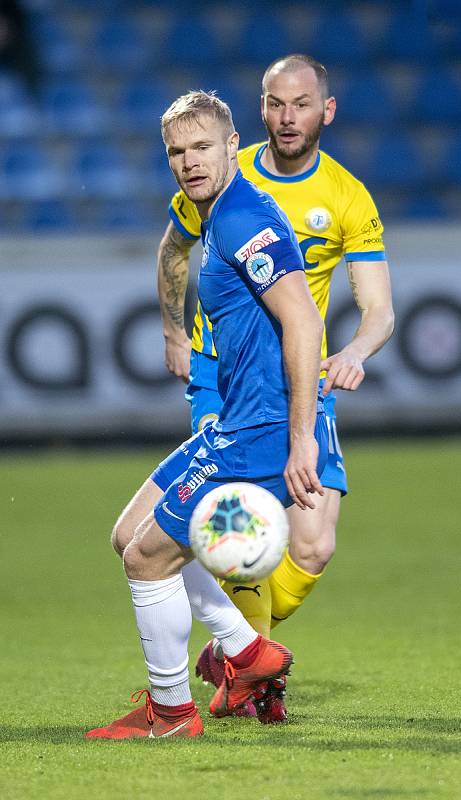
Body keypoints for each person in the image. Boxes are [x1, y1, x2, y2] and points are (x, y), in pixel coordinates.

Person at [153, 55, 394, 723]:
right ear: (257, 111)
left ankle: (235, 650)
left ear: (326, 110)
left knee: (311, 544)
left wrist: (353, 350)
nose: (287, 116)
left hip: (296, 377)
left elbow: (378, 308)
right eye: (274, 103)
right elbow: (174, 248)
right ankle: (251, 670)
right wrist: (176, 332)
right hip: (223, 380)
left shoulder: (346, 197)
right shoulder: (221, 170)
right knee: (232, 524)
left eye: (301, 103)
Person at [86, 90, 328, 740]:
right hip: (232, 423)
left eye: (201, 147)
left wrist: (300, 437)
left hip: (258, 431)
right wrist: (174, 333)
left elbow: (303, 319)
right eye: (176, 151)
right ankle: (248, 655)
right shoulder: (212, 215)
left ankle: (170, 713)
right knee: (127, 536)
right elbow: (169, 251)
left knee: (146, 561)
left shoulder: (242, 220)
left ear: (230, 147)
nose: (189, 161)